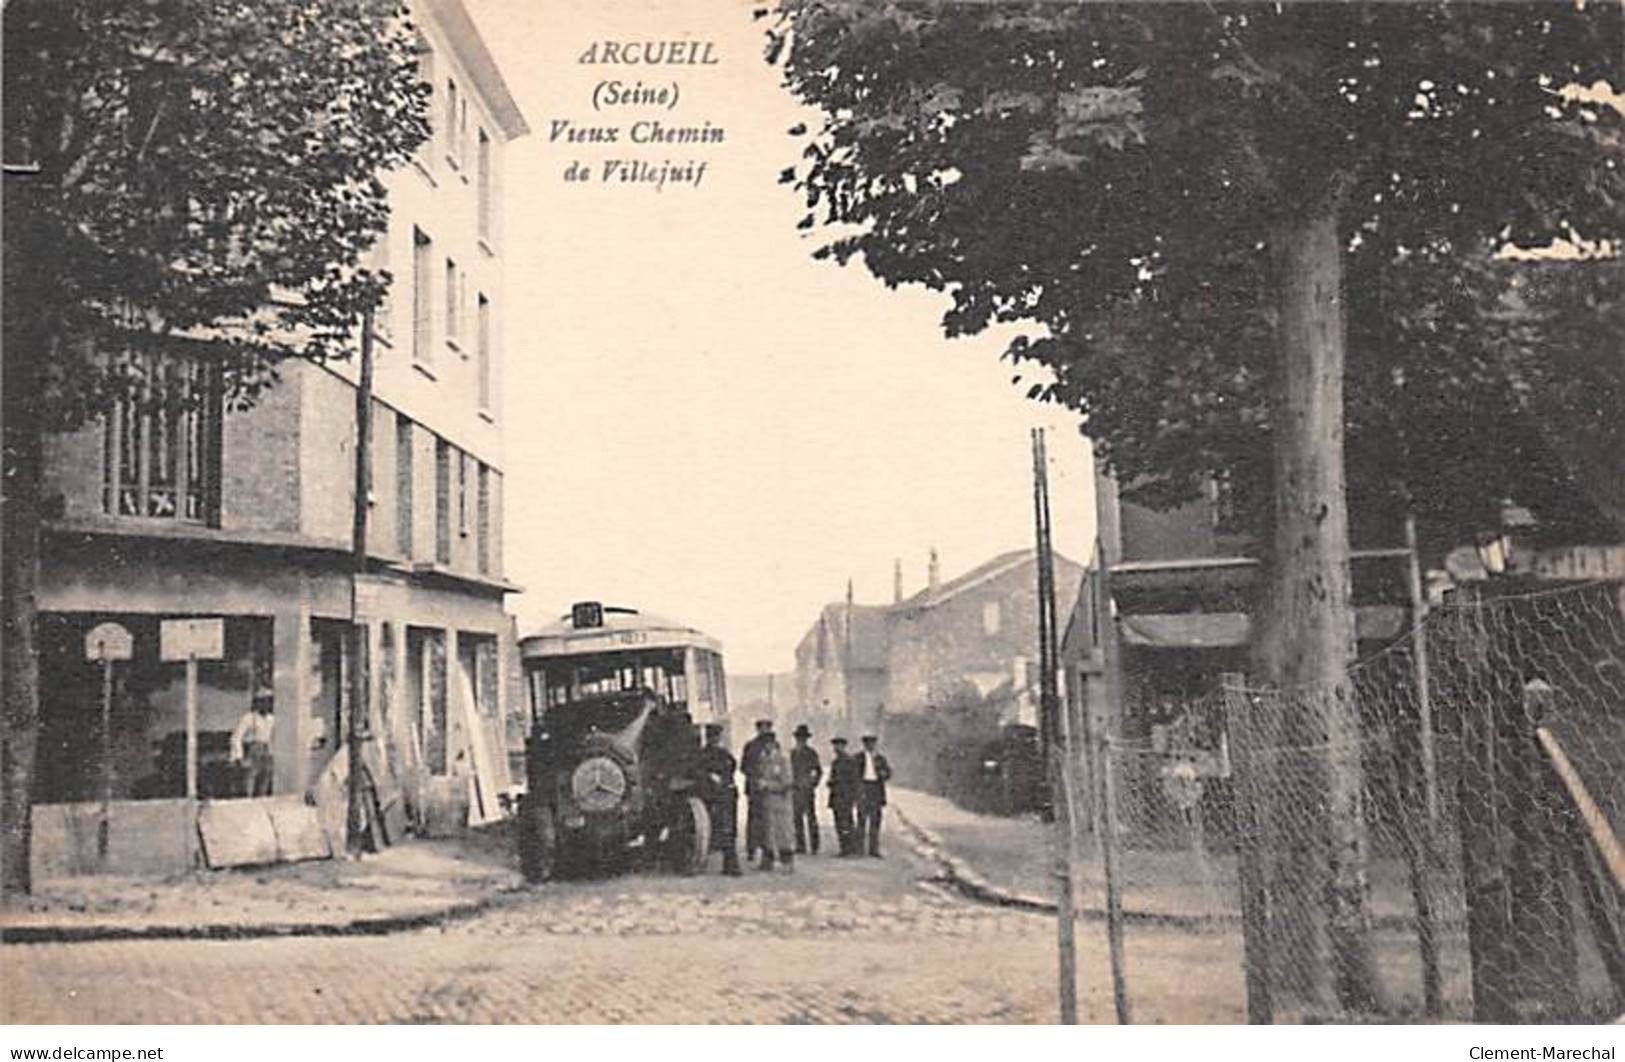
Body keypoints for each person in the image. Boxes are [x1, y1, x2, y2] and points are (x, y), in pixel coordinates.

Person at [696, 723, 743, 876]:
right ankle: (725, 863)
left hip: (726, 795)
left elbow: (731, 768)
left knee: (729, 830)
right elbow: (699, 772)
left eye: (716, 737)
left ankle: (730, 864)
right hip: (711, 797)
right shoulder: (703, 755)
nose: (715, 740)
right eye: (712, 737)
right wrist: (710, 777)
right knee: (716, 829)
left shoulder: (724, 754)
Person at [754, 734, 796, 872]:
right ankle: (768, 860)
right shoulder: (763, 759)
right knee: (768, 833)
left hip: (781, 802)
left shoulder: (783, 760)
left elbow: (787, 783)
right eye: (764, 744)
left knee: (783, 833)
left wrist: (768, 785)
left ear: (774, 744)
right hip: (767, 802)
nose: (766, 747)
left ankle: (787, 862)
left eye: (768, 744)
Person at [740, 719, 775, 862]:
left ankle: (769, 849)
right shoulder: (750, 746)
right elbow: (744, 767)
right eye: (762, 728)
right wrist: (755, 777)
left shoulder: (774, 746)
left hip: (770, 789)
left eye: (767, 728)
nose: (764, 730)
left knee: (769, 820)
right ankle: (752, 849)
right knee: (754, 820)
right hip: (755, 788)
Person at [230, 691, 276, 797]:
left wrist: (272, 752)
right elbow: (237, 736)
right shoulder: (249, 718)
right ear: (257, 703)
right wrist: (238, 755)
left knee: (265, 777)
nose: (265, 704)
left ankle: (261, 800)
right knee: (250, 777)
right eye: (262, 701)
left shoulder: (271, 719)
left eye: (268, 701)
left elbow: (273, 738)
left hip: (267, 750)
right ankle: (247, 800)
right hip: (253, 749)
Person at [855, 733, 892, 857]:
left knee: (875, 821)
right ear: (864, 745)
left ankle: (873, 849)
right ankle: (860, 849)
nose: (870, 745)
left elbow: (888, 774)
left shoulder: (880, 759)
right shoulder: (858, 758)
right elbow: (853, 775)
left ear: (875, 745)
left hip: (876, 790)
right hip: (863, 789)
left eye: (872, 743)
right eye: (867, 743)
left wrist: (883, 773)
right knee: (861, 820)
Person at [789, 724, 822, 855]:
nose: (800, 741)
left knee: (811, 817)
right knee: (797, 818)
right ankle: (800, 845)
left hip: (807, 789)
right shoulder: (792, 753)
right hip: (795, 789)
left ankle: (814, 845)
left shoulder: (811, 753)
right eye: (798, 738)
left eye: (803, 738)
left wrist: (813, 783)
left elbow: (818, 770)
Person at [826, 736, 859, 856]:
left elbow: (855, 780)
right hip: (836, 796)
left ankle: (850, 848)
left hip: (846, 797)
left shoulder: (850, 761)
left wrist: (854, 796)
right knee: (839, 823)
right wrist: (830, 783)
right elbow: (833, 778)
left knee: (846, 823)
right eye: (835, 746)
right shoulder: (835, 762)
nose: (836, 748)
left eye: (839, 745)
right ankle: (844, 847)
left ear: (844, 746)